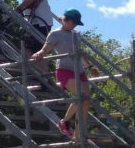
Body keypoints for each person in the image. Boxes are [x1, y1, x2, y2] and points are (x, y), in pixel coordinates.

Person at [31, 9, 94, 139]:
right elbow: (45, 49)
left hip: (80, 70)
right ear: (66, 20)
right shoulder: (55, 34)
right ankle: (64, 122)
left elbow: (80, 53)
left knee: (86, 101)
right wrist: (39, 53)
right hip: (65, 70)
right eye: (73, 22)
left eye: (76, 23)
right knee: (81, 96)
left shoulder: (75, 35)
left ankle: (78, 135)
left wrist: (90, 66)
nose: (75, 25)